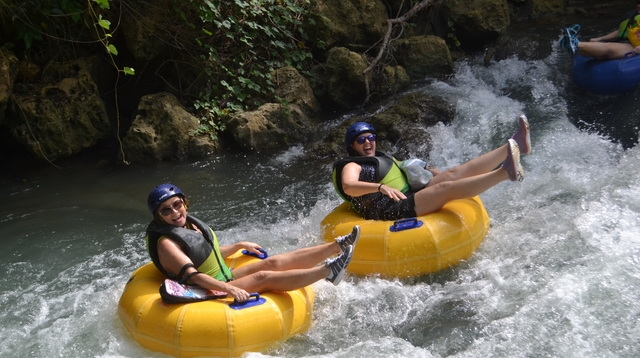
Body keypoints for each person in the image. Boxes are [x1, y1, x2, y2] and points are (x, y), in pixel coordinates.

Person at [145, 183, 360, 302]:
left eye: (177, 204)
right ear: (158, 216)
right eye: (166, 210)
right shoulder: (166, 244)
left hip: (223, 276)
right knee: (263, 276)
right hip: (207, 289)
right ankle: (328, 272)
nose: (175, 212)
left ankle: (337, 246)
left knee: (272, 263)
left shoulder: (188, 225)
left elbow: (207, 253)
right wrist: (228, 290)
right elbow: (193, 275)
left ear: (184, 203)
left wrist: (238, 245)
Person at [332, 116, 531, 221]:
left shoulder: (381, 156)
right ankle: (505, 173)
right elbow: (349, 185)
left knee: (452, 174)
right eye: (361, 140)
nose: (368, 142)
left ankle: (513, 146)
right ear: (353, 146)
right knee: (444, 189)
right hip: (391, 209)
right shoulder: (352, 164)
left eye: (371, 138)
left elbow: (405, 168)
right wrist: (381, 188)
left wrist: (435, 172)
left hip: (408, 194)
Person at [559, 1, 640, 59]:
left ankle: (575, 43)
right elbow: (621, 31)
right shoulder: (632, 16)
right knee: (604, 48)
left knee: (609, 48)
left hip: (633, 47)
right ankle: (571, 44)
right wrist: (600, 38)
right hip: (625, 42)